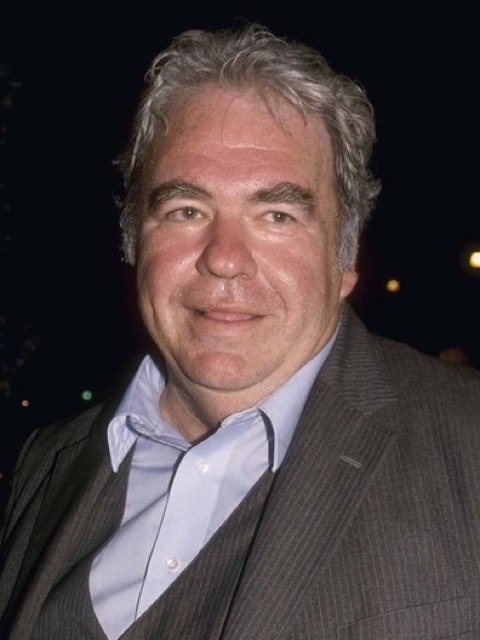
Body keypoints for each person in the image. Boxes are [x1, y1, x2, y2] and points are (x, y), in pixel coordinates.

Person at [1, 22, 480, 640]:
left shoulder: (466, 445)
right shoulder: (44, 463)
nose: (224, 258)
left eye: (276, 215)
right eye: (187, 210)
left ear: (344, 257)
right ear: (133, 239)